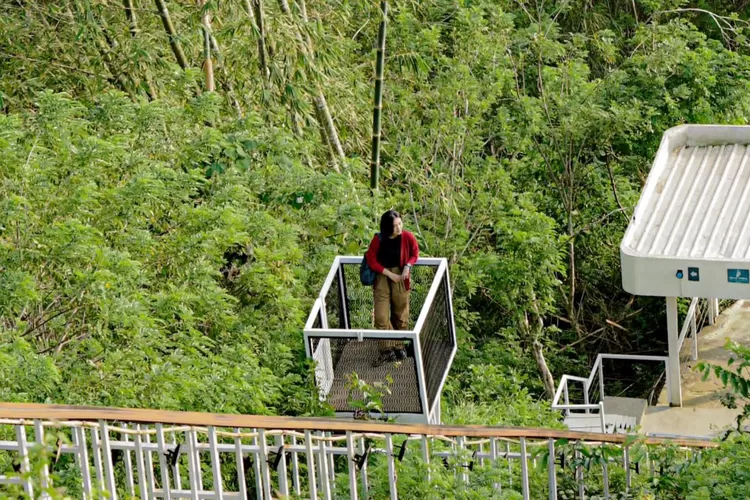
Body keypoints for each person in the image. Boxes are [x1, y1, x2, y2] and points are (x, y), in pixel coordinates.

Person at [364, 210, 419, 365]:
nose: (399, 228)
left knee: (400, 315)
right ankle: (388, 349)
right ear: (387, 227)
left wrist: (408, 265)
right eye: (395, 226)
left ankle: (399, 347)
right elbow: (371, 259)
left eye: (400, 224)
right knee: (381, 317)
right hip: (383, 276)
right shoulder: (379, 239)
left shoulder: (407, 237)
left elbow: (415, 253)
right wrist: (389, 274)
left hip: (401, 276)